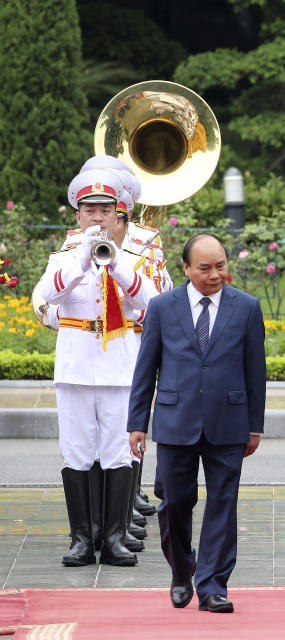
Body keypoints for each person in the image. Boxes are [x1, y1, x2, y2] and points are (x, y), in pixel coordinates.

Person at [127, 233, 266, 613]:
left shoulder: (247, 307)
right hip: (176, 420)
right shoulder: (162, 307)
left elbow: (256, 371)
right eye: (204, 268)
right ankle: (181, 570)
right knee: (174, 502)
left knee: (223, 502)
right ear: (186, 268)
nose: (215, 274)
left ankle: (213, 585)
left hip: (229, 420)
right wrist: (137, 422)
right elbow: (146, 369)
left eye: (220, 265)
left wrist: (255, 426)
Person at [36, 168, 159, 567]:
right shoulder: (63, 259)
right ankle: (81, 539)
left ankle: (115, 537)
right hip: (75, 367)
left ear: (118, 214)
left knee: (117, 452)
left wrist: (115, 263)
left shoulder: (131, 259)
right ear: (78, 215)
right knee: (76, 452)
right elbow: (46, 296)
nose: (97, 217)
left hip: (119, 369)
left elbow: (152, 302)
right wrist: (82, 261)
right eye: (89, 209)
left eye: (106, 209)